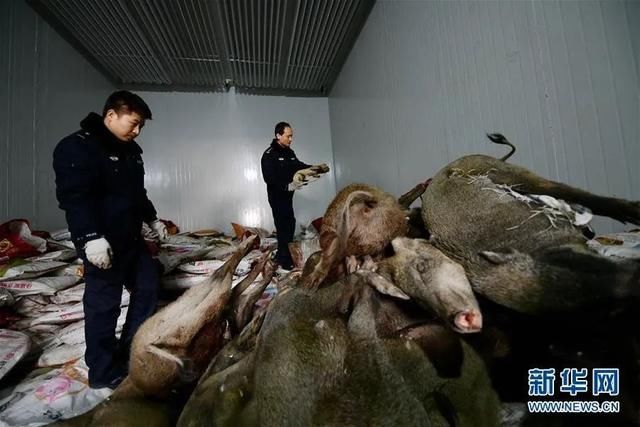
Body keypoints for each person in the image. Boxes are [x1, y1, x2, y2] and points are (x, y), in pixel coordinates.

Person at [53, 90, 167, 389]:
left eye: (141, 125)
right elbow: (75, 199)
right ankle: (102, 371)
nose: (137, 130)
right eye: (133, 122)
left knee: (149, 286)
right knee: (104, 306)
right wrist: (90, 238)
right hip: (101, 242)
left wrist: (152, 219)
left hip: (130, 238)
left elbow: (138, 194)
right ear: (111, 115)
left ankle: (129, 352)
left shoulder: (131, 152)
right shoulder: (77, 147)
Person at [261, 122, 317, 270]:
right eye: (288, 136)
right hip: (277, 197)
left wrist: (313, 168)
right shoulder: (269, 155)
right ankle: (285, 261)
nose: (291, 139)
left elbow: (297, 165)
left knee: (290, 224)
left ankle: (282, 255)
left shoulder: (289, 152)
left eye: (292, 136)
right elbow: (269, 178)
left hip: (288, 196)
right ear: (278, 136)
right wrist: (286, 186)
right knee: (283, 226)